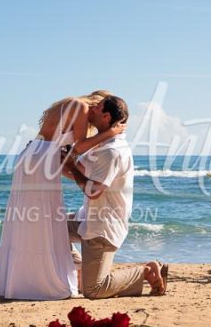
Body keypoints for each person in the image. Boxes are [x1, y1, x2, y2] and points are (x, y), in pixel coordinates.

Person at [0, 91, 126, 300]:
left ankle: (29, 279)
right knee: (43, 217)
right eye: (101, 107)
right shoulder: (80, 107)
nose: (97, 113)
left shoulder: (73, 108)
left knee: (38, 219)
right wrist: (110, 134)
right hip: (41, 157)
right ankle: (41, 280)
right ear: (97, 103)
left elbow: (72, 153)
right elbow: (79, 147)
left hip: (38, 156)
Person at [63, 95, 167, 299]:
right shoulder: (103, 146)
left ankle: (146, 271)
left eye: (97, 108)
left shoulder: (112, 151)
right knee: (51, 227)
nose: (91, 112)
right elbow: (80, 170)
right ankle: (80, 268)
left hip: (102, 228)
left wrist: (71, 168)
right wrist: (63, 165)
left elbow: (93, 191)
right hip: (88, 219)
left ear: (106, 115)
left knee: (93, 291)